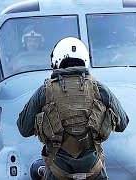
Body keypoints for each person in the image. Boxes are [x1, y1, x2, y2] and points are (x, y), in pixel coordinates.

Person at [17, 37, 129, 180]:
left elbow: (23, 128)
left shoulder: (45, 91)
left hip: (57, 172)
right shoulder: (99, 88)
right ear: (85, 59)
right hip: (93, 171)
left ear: (56, 60)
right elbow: (123, 123)